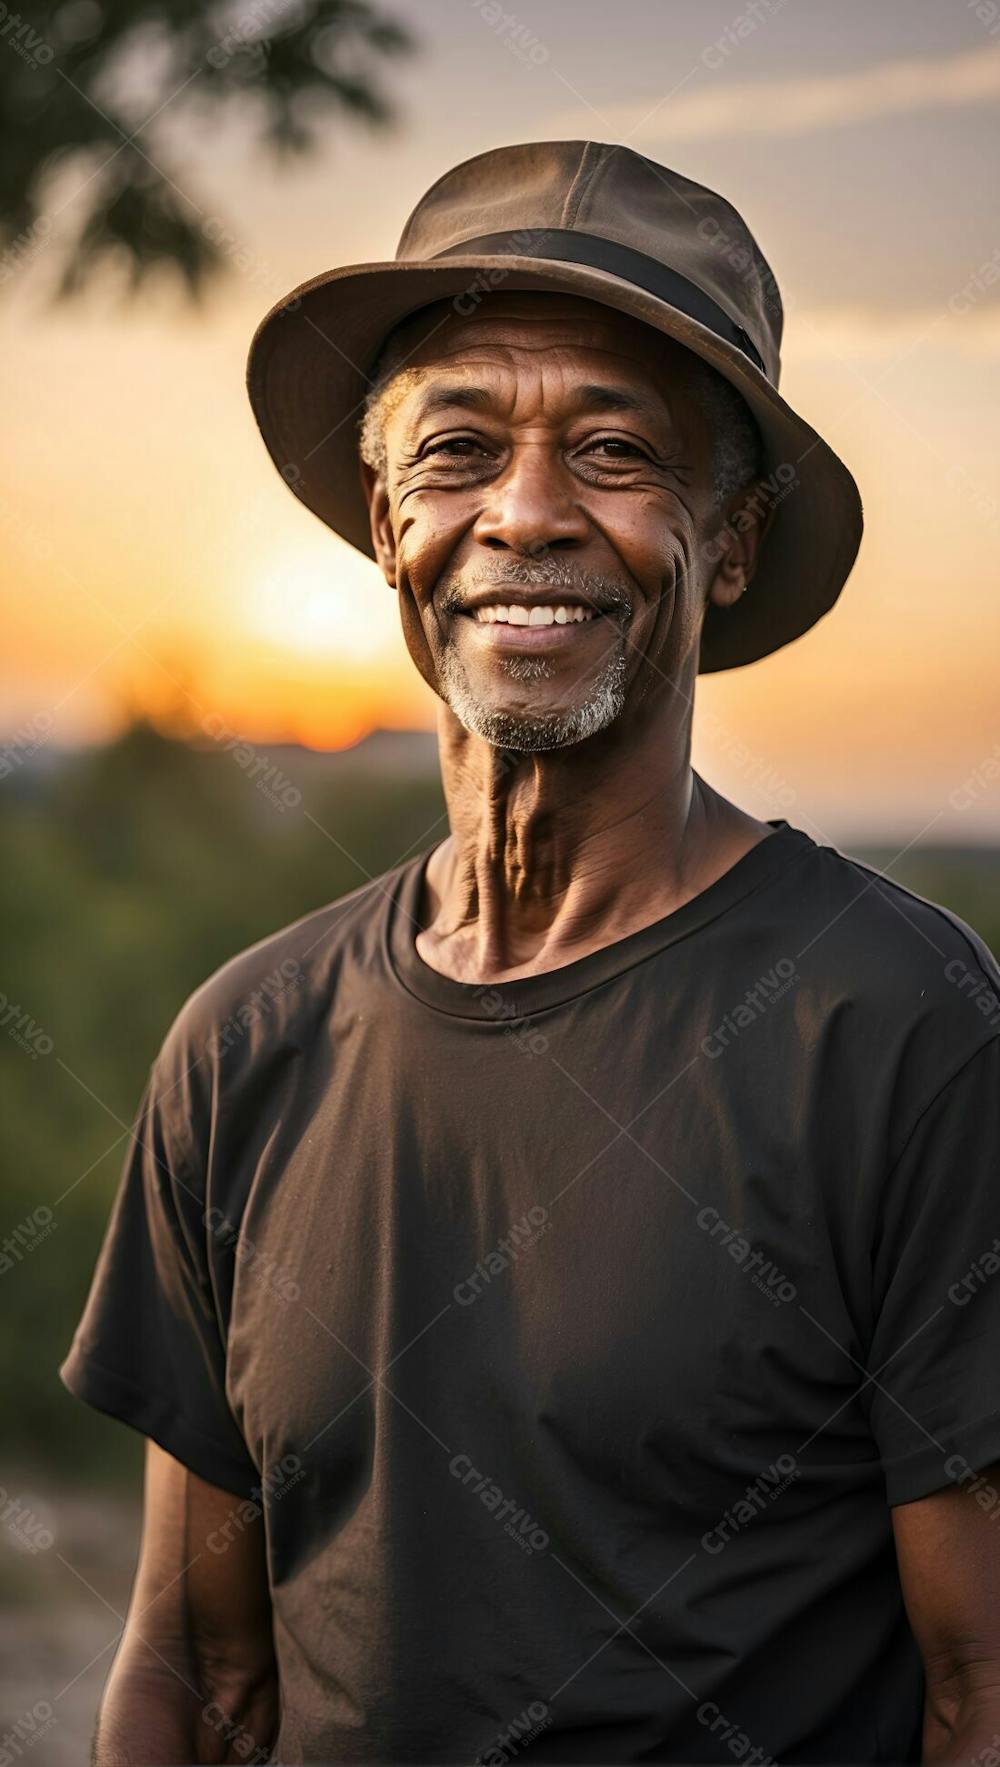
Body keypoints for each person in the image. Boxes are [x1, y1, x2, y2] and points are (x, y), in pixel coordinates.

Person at [61, 140, 1000, 1765]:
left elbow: (983, 1689)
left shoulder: (901, 1030)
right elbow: (197, 1679)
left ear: (731, 541)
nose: (529, 513)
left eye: (619, 452)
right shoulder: (244, 1047)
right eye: (459, 449)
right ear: (386, 522)